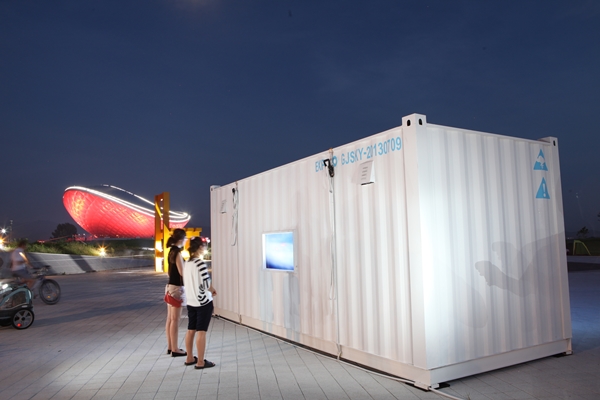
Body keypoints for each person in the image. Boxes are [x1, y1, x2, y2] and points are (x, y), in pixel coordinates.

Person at [183, 237, 217, 369]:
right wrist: (212, 290)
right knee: (201, 331)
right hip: (203, 302)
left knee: (191, 329)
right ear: (200, 248)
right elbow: (206, 283)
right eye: (204, 246)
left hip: (191, 301)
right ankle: (201, 362)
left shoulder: (187, 262)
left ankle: (189, 357)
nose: (205, 248)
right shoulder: (200, 263)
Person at [165, 229, 187, 357]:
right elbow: (182, 272)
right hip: (177, 289)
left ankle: (170, 347)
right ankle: (175, 349)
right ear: (181, 239)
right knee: (175, 320)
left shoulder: (171, 251)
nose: (186, 241)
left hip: (169, 287)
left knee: (170, 319)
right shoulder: (177, 253)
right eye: (185, 238)